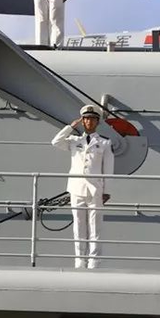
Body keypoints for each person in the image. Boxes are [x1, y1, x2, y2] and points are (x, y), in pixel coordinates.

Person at [51, 104, 114, 269]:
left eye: (92, 119)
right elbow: (55, 142)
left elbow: (108, 169)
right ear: (82, 121)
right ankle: (80, 261)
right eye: (86, 119)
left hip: (95, 190)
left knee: (95, 227)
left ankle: (94, 262)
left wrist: (107, 191)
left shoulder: (105, 143)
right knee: (78, 225)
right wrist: (71, 127)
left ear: (97, 122)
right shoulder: (74, 141)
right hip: (76, 188)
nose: (89, 122)